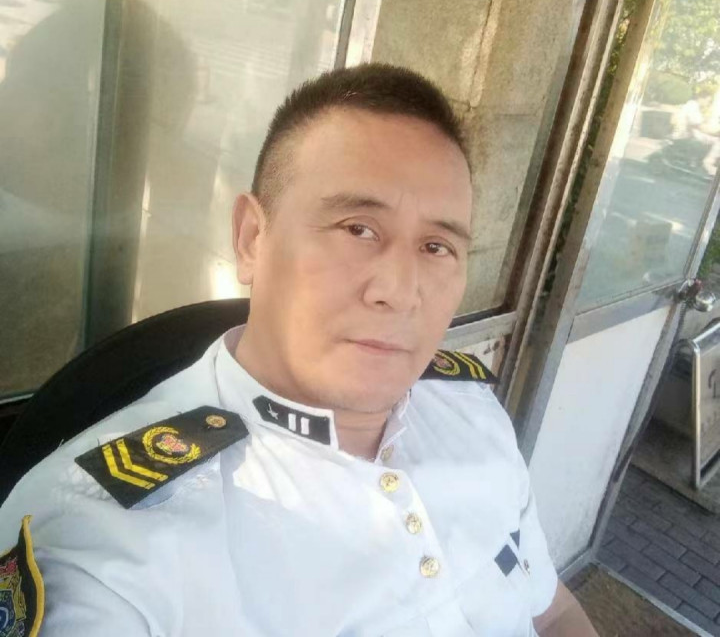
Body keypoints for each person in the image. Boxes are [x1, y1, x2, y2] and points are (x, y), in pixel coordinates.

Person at [0, 64, 598, 636]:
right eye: (358, 228)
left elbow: (551, 613)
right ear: (251, 239)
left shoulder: (473, 413)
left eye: (437, 247)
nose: (400, 291)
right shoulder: (104, 538)